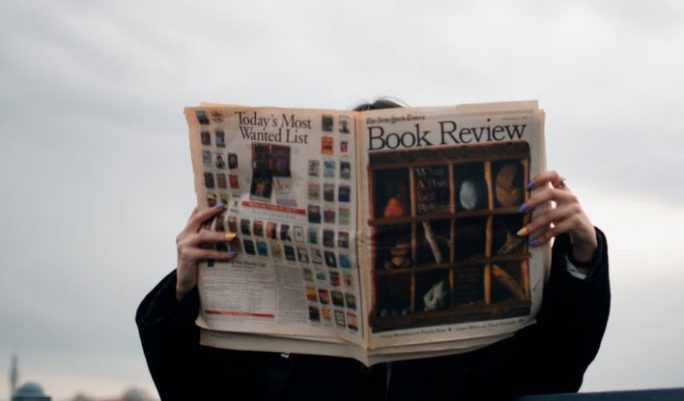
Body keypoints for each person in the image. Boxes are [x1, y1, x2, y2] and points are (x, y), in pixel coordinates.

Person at [136, 100, 610, 400]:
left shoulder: (469, 337)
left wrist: (581, 255)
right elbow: (192, 389)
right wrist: (182, 290)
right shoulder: (284, 354)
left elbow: (556, 370)